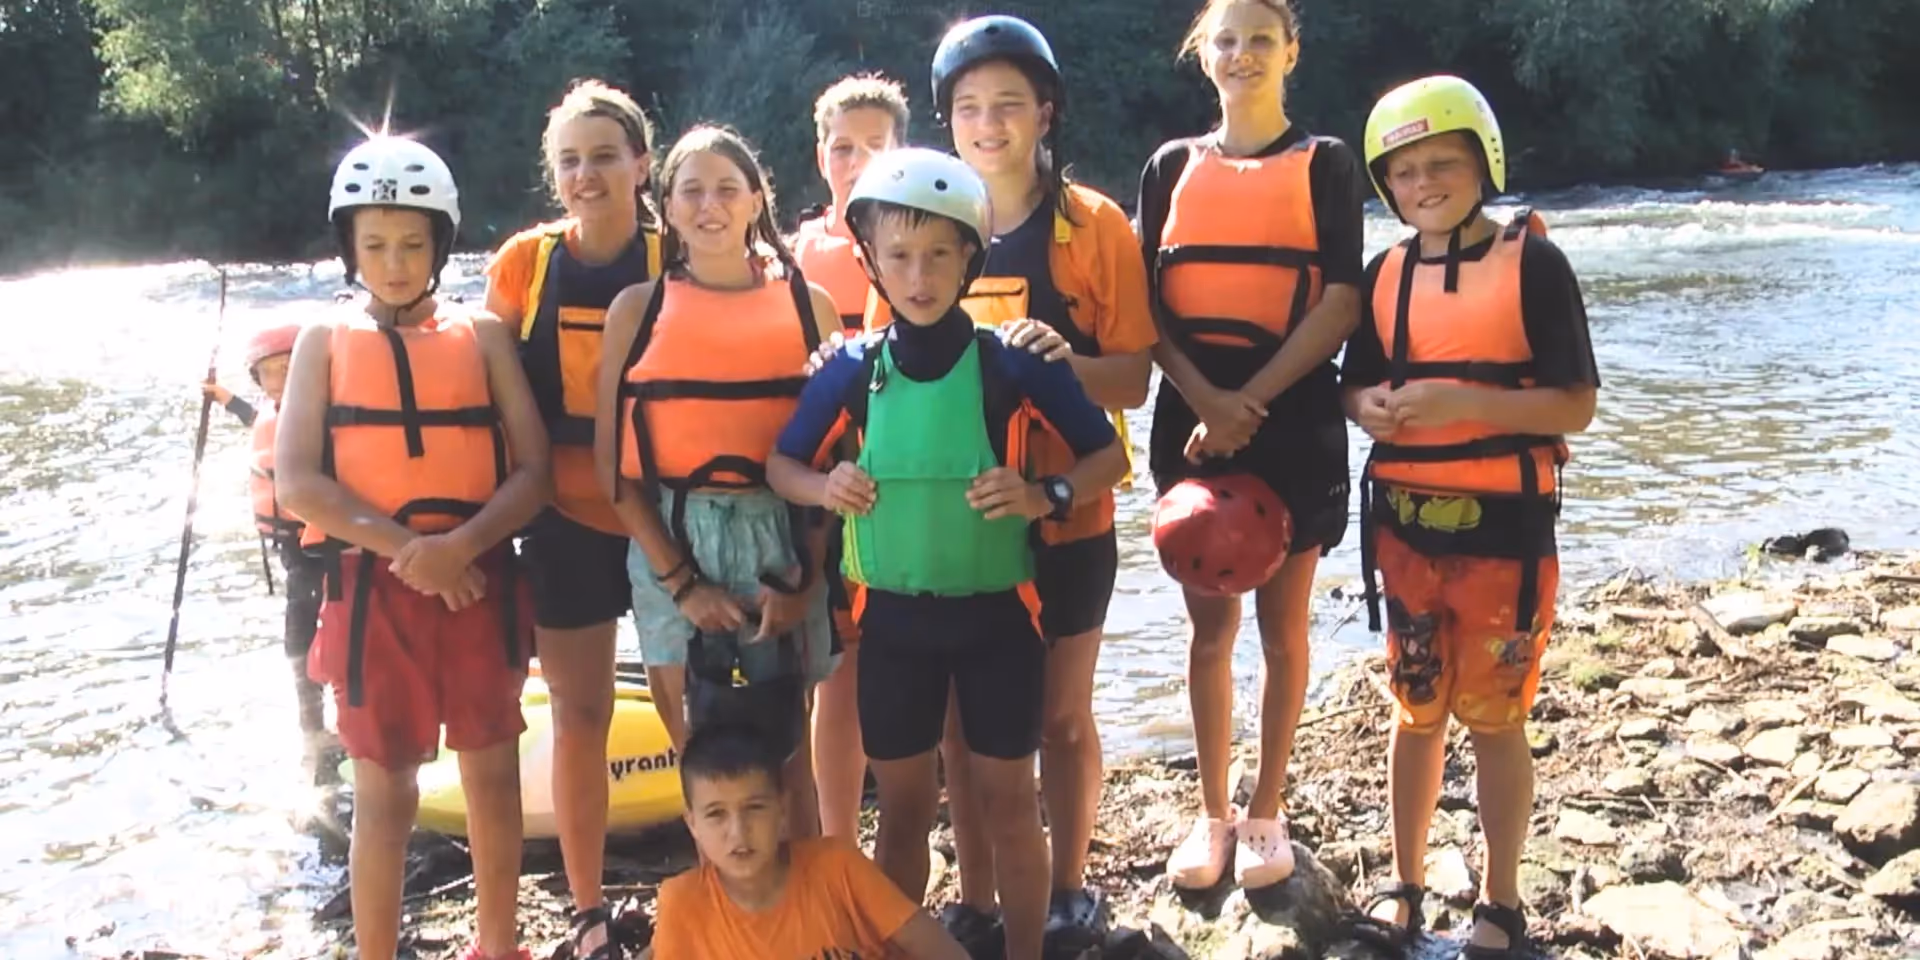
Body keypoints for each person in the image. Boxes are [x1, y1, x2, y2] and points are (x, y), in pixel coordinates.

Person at [768, 147, 1130, 960]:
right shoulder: (852, 369)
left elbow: (1106, 457)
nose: (919, 275)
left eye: (939, 254)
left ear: (972, 257)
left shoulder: (1013, 361)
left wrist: (1044, 495)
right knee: (902, 812)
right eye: (899, 255)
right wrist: (825, 486)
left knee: (1011, 805)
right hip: (893, 627)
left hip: (1000, 620)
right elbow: (781, 465)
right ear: (870, 259)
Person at [886, 14, 1155, 948]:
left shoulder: (1095, 226)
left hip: (1069, 512)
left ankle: (1069, 885)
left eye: (1009, 104)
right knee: (963, 731)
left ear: (1046, 113)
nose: (988, 123)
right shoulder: (927, 221)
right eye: (968, 107)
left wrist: (1060, 366)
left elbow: (1135, 379)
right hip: (960, 523)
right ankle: (979, 895)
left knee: (1061, 717)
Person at [1341, 75, 1599, 958]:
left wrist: (1461, 403)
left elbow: (1575, 405)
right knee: (1416, 711)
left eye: (1443, 164)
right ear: (1387, 185)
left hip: (1506, 539)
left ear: (1483, 162)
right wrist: (1365, 407)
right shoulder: (1385, 273)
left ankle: (1501, 901)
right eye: (1405, 172)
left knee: (1494, 718)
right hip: (1405, 533)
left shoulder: (1535, 265)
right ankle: (1405, 885)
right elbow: (1353, 383)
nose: (1424, 184)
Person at [277, 135, 550, 960]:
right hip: (373, 594)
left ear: (440, 244)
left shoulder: (485, 336)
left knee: (492, 775)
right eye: (375, 246)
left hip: (478, 581)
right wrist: (415, 553)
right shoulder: (323, 341)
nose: (394, 264)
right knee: (384, 791)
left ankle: (497, 945)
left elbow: (534, 472)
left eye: (411, 244)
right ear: (350, 249)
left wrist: (460, 547)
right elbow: (298, 481)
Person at [1135, 0, 1364, 892]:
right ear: (1204, 55)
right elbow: (1143, 309)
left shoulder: (1327, 163)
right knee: (1209, 627)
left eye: (1261, 39)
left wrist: (1248, 403)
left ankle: (1266, 809)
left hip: (1291, 412)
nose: (1243, 55)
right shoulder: (1170, 167)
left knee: (1281, 625)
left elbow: (1340, 301)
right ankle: (1211, 813)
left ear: (1290, 52)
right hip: (1191, 411)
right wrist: (1207, 401)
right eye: (1226, 40)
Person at [594, 124, 840, 839]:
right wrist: (683, 585)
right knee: (701, 761)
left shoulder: (812, 306)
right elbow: (613, 474)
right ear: (666, 207)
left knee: (788, 762)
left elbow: (834, 464)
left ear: (757, 200)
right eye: (691, 191)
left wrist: (803, 580)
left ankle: (809, 903)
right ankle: (725, 904)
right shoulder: (635, 311)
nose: (710, 206)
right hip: (674, 535)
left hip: (781, 532)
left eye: (728, 189)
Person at [482, 78, 660, 960]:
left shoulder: (677, 254)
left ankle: (724, 893)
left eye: (604, 157)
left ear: (642, 164)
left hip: (665, 522)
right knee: (580, 717)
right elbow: (483, 385)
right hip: (564, 524)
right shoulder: (526, 262)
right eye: (569, 161)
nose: (586, 176)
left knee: (696, 714)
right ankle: (588, 911)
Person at [789, 71, 910, 842]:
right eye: (842, 148)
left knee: (917, 657)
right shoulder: (795, 252)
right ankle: (836, 842)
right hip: (828, 483)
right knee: (838, 668)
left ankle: (914, 826)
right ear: (819, 156)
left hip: (908, 480)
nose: (857, 161)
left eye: (875, 146)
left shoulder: (927, 238)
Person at [644, 723, 969, 959]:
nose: (738, 831)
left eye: (754, 808)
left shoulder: (837, 867)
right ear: (692, 824)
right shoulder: (684, 905)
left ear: (782, 808)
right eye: (716, 814)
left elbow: (941, 950)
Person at [203, 322, 327, 752]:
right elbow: (253, 419)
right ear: (259, 379)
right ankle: (311, 717)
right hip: (295, 542)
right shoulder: (272, 415)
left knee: (342, 615)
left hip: (332, 537)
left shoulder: (327, 412)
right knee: (303, 615)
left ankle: (344, 705)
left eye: (291, 368)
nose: (282, 378)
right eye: (271, 371)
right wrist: (223, 397)